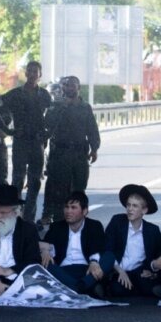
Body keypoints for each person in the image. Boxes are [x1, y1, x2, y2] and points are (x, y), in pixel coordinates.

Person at [42, 76, 100, 224]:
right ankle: (59, 221)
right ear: (63, 88)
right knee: (59, 190)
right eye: (67, 85)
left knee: (79, 188)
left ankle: (79, 220)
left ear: (78, 88)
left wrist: (94, 148)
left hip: (80, 155)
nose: (69, 88)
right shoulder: (55, 106)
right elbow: (47, 124)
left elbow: (92, 129)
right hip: (60, 155)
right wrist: (61, 107)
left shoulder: (85, 107)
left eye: (73, 85)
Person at [1, 62, 53, 220]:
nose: (31, 74)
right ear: (25, 73)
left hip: (36, 143)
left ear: (40, 75)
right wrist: (9, 131)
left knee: (35, 181)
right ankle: (15, 215)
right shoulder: (15, 94)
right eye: (29, 71)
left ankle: (28, 218)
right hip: (20, 142)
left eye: (35, 71)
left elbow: (52, 118)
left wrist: (46, 135)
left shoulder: (44, 95)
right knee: (17, 180)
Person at [40, 191, 111, 294]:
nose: (68, 211)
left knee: (109, 256)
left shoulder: (94, 226)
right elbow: (44, 243)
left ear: (85, 211)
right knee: (47, 263)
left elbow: (98, 247)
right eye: (66, 207)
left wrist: (94, 262)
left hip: (87, 270)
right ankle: (83, 288)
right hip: (64, 271)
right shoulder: (57, 227)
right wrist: (45, 250)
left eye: (73, 208)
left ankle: (76, 287)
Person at [103, 184, 161, 298]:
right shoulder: (117, 222)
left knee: (149, 289)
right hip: (118, 269)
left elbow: (157, 254)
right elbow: (107, 249)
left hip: (138, 271)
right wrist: (119, 270)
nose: (130, 209)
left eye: (135, 206)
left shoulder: (152, 230)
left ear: (144, 210)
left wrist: (151, 271)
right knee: (117, 291)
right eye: (128, 205)